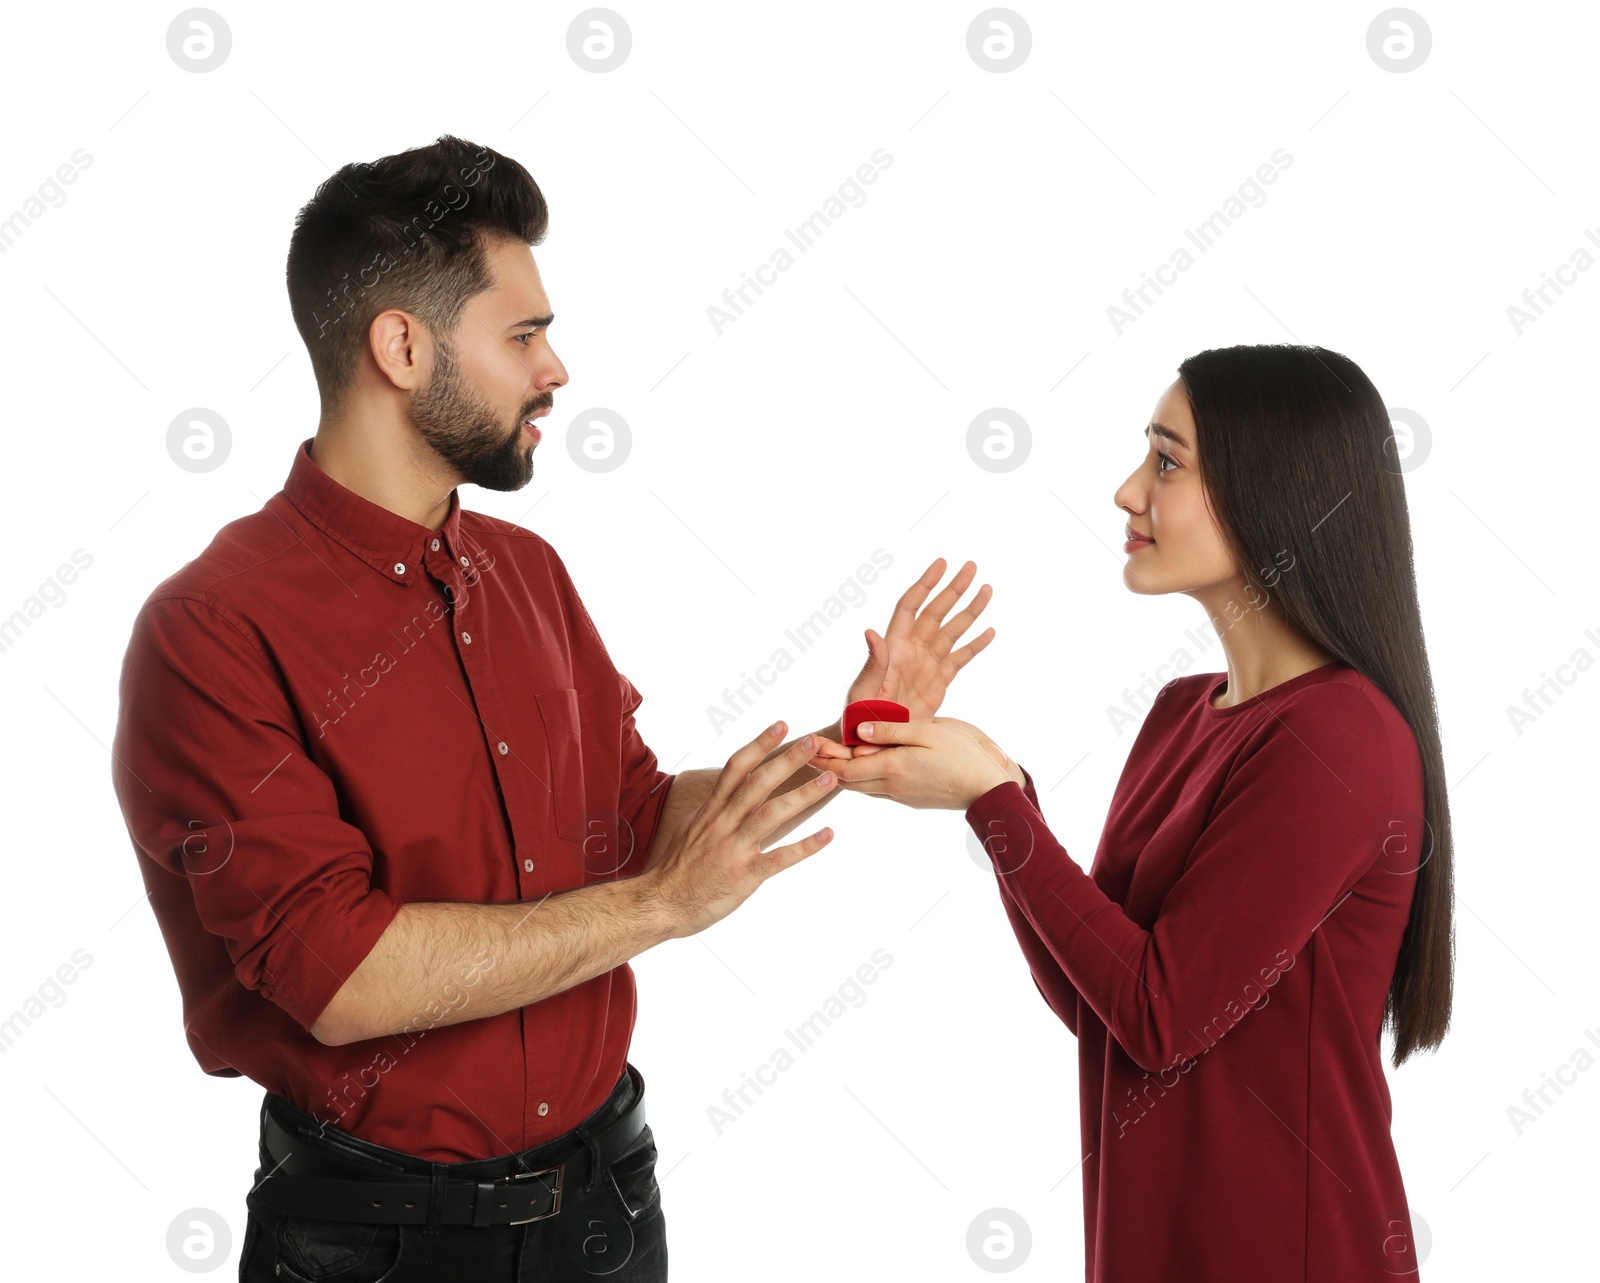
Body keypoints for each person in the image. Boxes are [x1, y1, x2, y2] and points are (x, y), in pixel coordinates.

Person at [108, 134, 997, 1282]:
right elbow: (339, 977)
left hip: (606, 1202)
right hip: (376, 1237)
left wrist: (840, 747)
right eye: (523, 334)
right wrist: (662, 909)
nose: (557, 368)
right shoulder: (212, 627)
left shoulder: (526, 573)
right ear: (401, 346)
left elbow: (627, 819)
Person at [808, 345, 1455, 1283]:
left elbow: (1161, 1015)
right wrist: (997, 790)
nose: (1124, 492)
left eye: (1166, 461)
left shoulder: (1342, 735)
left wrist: (993, 799)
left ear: (1269, 490)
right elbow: (1101, 1004)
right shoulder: (1180, 714)